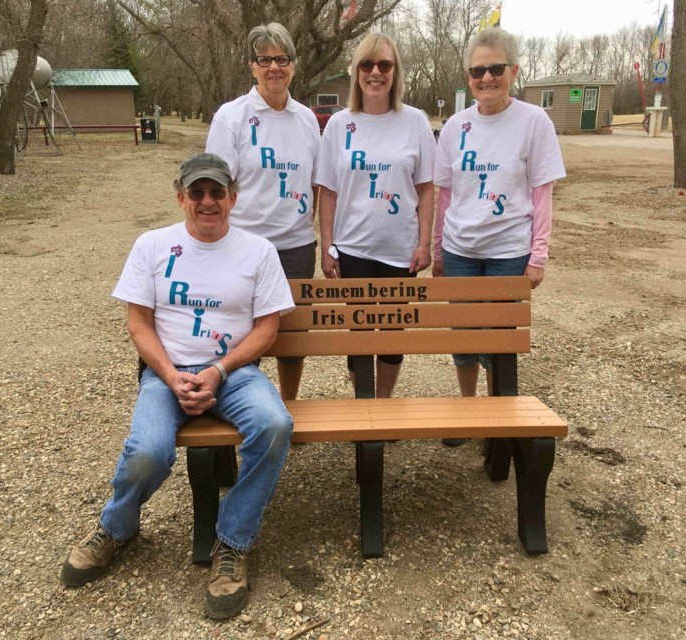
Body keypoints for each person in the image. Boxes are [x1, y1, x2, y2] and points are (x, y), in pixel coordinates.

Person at [60, 153, 295, 621]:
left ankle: (231, 543)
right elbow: (138, 323)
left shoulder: (259, 251)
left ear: (233, 197)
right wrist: (170, 375)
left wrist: (219, 371)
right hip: (167, 373)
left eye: (217, 192)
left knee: (275, 426)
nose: (207, 201)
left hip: (233, 372)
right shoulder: (151, 245)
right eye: (197, 192)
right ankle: (116, 527)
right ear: (180, 197)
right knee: (147, 449)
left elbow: (267, 330)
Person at [432, 27, 566, 445]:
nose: (486, 78)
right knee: (465, 337)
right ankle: (470, 412)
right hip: (460, 249)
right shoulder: (455, 127)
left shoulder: (533, 121)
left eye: (495, 69)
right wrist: (438, 249)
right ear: (468, 76)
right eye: (477, 70)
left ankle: (497, 421)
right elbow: (446, 193)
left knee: (500, 343)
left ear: (513, 71)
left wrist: (538, 254)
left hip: (509, 250)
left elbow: (542, 192)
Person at [315, 32, 435, 398]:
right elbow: (328, 191)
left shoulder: (415, 122)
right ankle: (362, 404)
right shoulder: (338, 125)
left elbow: (427, 188)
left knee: (393, 337)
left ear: (395, 71)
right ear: (356, 72)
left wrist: (424, 242)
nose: (375, 72)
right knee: (359, 333)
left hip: (401, 250)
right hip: (354, 248)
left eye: (384, 64)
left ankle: (382, 404)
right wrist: (327, 247)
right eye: (367, 64)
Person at [205, 22, 320, 401]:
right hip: (245, 246)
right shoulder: (231, 117)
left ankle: (289, 405)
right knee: (240, 334)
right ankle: (237, 406)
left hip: (296, 246)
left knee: (292, 337)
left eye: (282, 59)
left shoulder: (307, 119)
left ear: (294, 65)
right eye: (265, 59)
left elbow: (315, 182)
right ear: (252, 66)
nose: (275, 67)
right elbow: (216, 187)